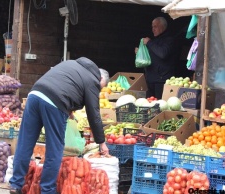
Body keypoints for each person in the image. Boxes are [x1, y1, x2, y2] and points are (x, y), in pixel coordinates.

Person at [9, 57, 110, 194]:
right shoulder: (93, 80)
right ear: (99, 78)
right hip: (54, 103)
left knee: (25, 142)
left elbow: (64, 86)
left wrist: (69, 110)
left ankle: (15, 184)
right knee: (55, 148)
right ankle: (48, 189)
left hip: (34, 94)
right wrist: (101, 142)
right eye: (100, 87)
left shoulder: (71, 64)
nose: (98, 90)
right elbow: (94, 114)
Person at [135, 17, 177, 99]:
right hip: (150, 79)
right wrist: (140, 52)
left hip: (161, 81)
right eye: (152, 27)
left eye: (155, 26)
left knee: (159, 105)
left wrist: (149, 42)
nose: (153, 29)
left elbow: (162, 53)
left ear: (163, 26)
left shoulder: (169, 40)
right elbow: (151, 56)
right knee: (149, 104)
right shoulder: (155, 40)